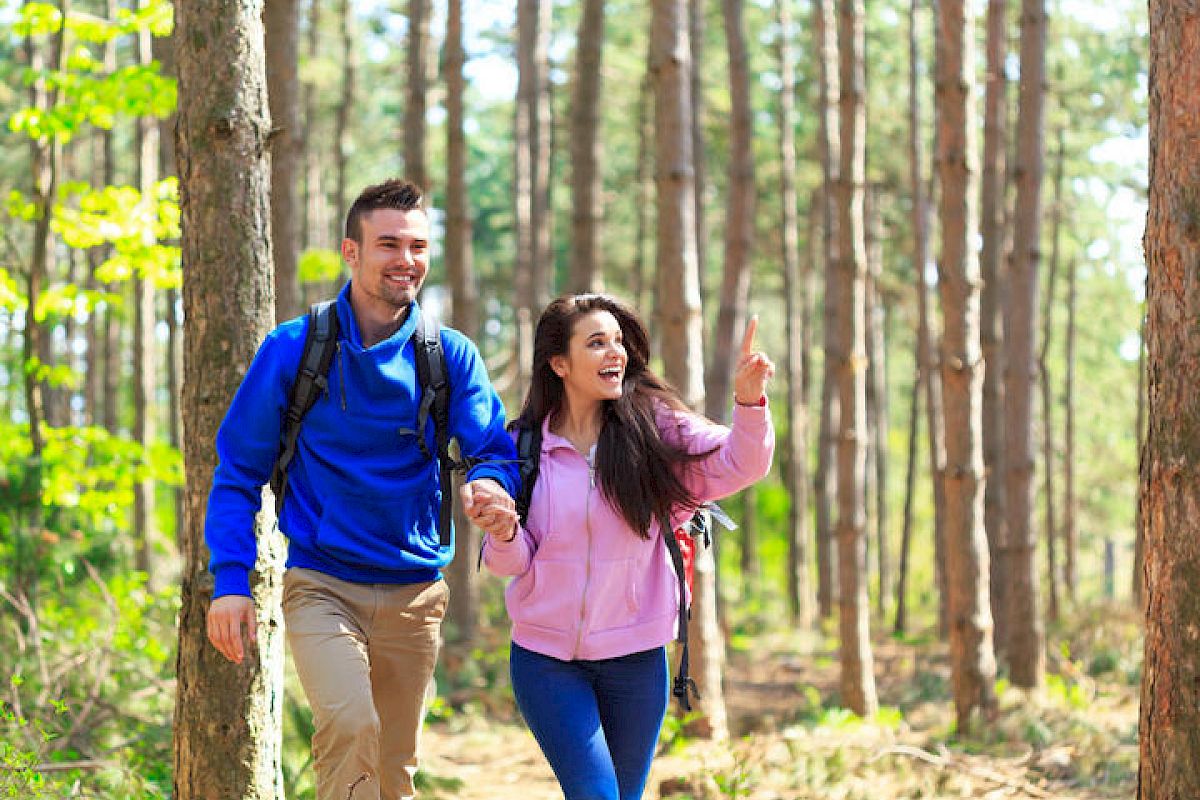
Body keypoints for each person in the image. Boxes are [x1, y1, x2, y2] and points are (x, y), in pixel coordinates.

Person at [204, 179, 520, 800]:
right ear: (351, 252)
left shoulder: (447, 355)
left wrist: (489, 486)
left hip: (416, 593)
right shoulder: (295, 349)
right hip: (322, 584)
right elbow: (237, 473)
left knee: (394, 771)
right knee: (352, 728)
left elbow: (491, 450)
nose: (408, 259)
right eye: (390, 244)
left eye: (419, 246)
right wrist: (231, 582)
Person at [470, 294, 775, 800]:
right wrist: (502, 532)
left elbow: (737, 463)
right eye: (596, 343)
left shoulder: (654, 429)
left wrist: (748, 403)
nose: (616, 353)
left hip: (636, 662)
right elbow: (513, 562)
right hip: (546, 661)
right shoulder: (524, 445)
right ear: (560, 363)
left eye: (618, 341)